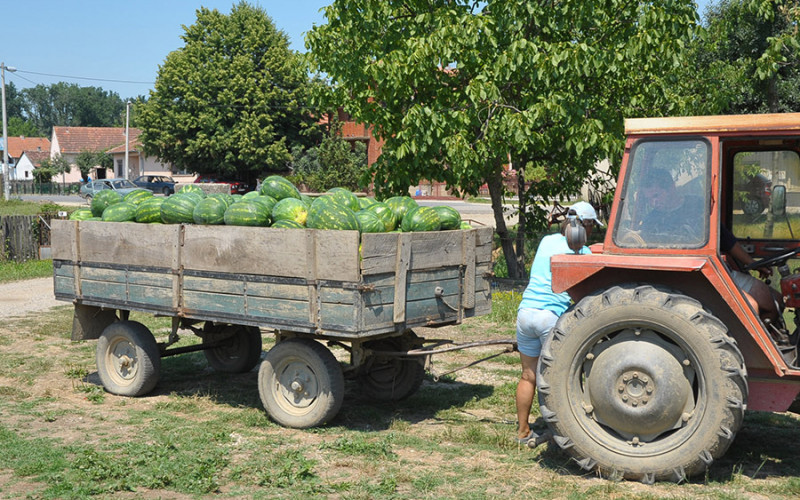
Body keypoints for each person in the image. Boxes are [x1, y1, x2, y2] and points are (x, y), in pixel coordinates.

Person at [515, 201, 602, 447]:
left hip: (525, 313)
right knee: (557, 379)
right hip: (549, 317)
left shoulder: (546, 241)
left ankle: (522, 431)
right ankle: (563, 431)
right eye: (590, 226)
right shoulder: (581, 253)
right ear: (582, 225)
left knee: (528, 375)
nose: (591, 231)